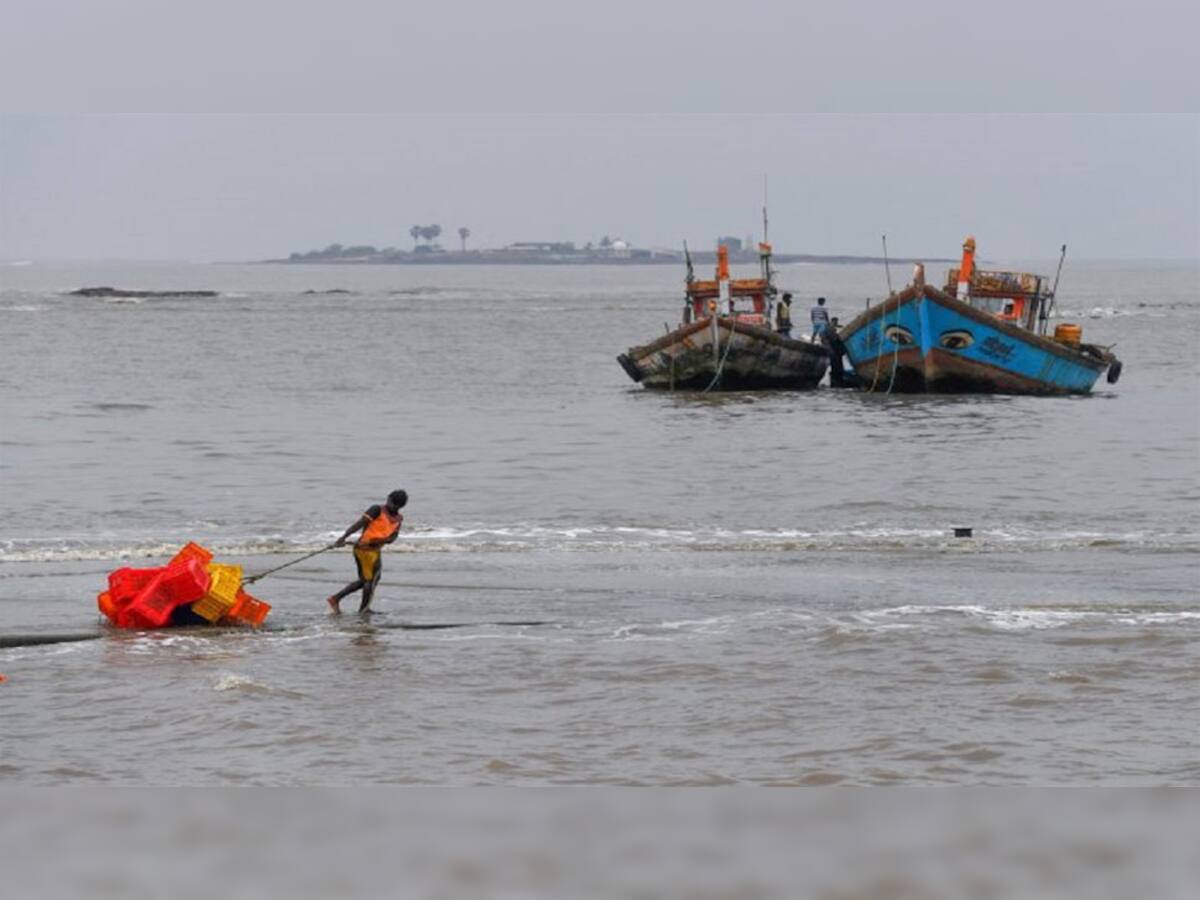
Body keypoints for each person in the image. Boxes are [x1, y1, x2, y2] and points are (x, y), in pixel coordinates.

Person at [327, 489, 407, 614]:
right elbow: (359, 524)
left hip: (375, 550)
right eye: (389, 501)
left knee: (372, 579)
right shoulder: (376, 510)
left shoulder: (399, 519)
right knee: (369, 581)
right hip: (363, 550)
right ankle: (362, 610)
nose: (388, 504)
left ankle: (338, 599)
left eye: (392, 503)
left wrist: (383, 540)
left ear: (399, 506)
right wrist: (343, 537)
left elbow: (393, 537)